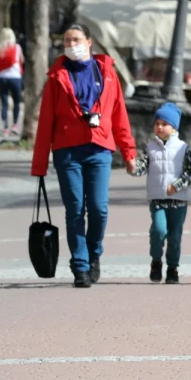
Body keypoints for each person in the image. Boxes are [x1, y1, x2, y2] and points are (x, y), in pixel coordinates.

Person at [31, 23, 137, 288]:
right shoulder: (57, 76)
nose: (71, 45)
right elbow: (45, 123)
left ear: (89, 42)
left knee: (99, 209)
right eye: (67, 41)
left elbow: (119, 116)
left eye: (76, 39)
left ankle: (94, 253)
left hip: (100, 149)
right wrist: (39, 164)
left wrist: (129, 152)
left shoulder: (108, 74)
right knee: (75, 210)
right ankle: (80, 266)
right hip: (67, 152)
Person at [129, 102, 191, 285]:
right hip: (158, 200)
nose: (159, 127)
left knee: (175, 237)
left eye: (164, 124)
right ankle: (156, 261)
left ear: (173, 127)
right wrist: (132, 167)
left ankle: (173, 268)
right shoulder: (150, 148)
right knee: (159, 231)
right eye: (157, 123)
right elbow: (142, 167)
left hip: (179, 201)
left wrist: (177, 185)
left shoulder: (183, 148)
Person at [0, 27, 25, 136]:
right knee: (16, 102)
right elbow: (22, 60)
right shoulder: (17, 47)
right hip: (15, 77)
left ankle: (5, 127)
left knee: (4, 103)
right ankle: (15, 125)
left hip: (2, 78)